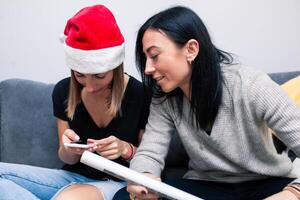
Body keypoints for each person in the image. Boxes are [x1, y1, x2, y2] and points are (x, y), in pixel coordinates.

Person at [114, 6, 300, 200]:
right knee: (123, 196)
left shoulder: (251, 85)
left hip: (267, 183)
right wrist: (145, 179)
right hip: (207, 186)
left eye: (154, 55)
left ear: (191, 49)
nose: (147, 69)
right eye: (145, 59)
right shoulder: (165, 99)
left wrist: (294, 192)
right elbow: (149, 153)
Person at [0, 4, 150, 200]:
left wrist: (125, 149)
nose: (89, 86)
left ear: (115, 67)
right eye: (80, 75)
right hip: (72, 176)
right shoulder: (64, 90)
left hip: (120, 181)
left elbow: (150, 161)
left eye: (99, 76)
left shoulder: (139, 94)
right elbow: (65, 156)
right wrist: (68, 149)